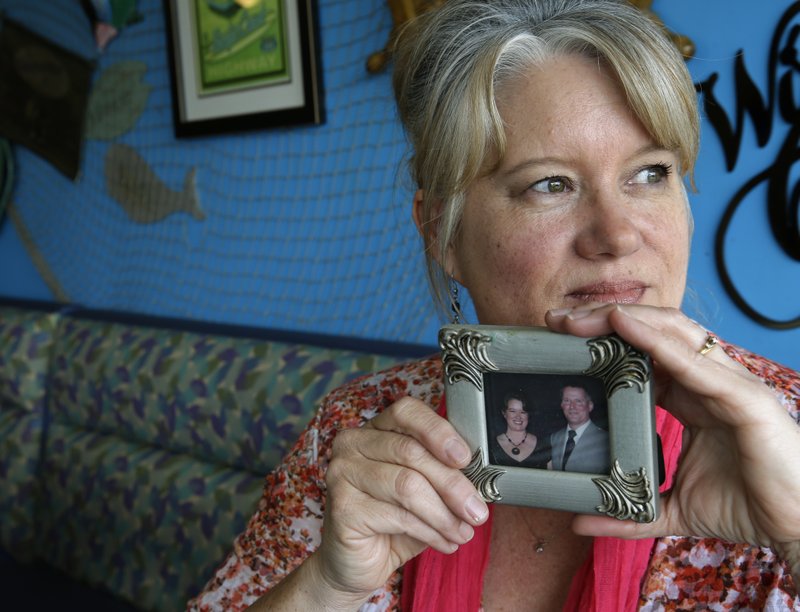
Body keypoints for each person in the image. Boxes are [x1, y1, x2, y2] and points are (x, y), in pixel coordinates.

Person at [188, 0, 800, 610]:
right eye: (550, 184)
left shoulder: (785, 432)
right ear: (442, 234)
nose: (617, 235)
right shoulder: (357, 433)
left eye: (650, 173)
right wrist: (326, 587)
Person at [550, 385, 610, 473]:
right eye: (567, 401)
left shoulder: (606, 440)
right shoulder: (555, 437)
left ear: (590, 406)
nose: (572, 407)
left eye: (578, 401)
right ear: (562, 405)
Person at [492, 390, 551, 468]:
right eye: (512, 411)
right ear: (504, 413)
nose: (518, 416)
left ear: (528, 415)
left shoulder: (544, 446)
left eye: (523, 412)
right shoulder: (490, 446)